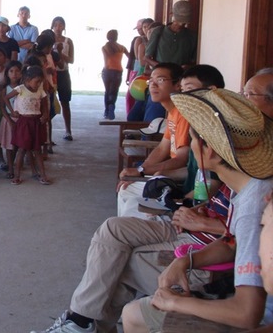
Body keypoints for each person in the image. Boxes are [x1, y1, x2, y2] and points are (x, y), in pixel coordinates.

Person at [28, 65, 232, 333]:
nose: (182, 96)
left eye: (188, 90)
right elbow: (204, 186)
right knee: (113, 229)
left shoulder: (234, 156)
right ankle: (82, 322)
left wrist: (198, 217)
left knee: (117, 261)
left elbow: (239, 233)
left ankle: (82, 323)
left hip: (202, 242)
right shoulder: (201, 131)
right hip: (190, 222)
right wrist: (184, 202)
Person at [122, 88, 273, 333]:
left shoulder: (253, 208)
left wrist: (177, 303)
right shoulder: (248, 187)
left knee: (134, 314)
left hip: (259, 319)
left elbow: (247, 314)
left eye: (192, 140)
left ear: (208, 150)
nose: (191, 146)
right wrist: (187, 260)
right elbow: (231, 242)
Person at [117, 63, 189, 218]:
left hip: (180, 179)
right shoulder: (173, 112)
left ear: (178, 85)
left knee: (130, 199)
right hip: (165, 175)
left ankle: (134, 229)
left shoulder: (183, 114)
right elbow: (162, 148)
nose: (153, 85)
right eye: (151, 81)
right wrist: (140, 171)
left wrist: (141, 172)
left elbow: (181, 159)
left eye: (161, 80)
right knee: (126, 189)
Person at [4, 65, 51, 185]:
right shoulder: (20, 89)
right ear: (28, 79)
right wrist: (12, 111)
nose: (38, 84)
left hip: (36, 122)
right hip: (24, 122)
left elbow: (45, 105)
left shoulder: (40, 91)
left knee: (37, 150)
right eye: (37, 81)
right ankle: (17, 176)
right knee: (22, 149)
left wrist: (45, 115)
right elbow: (5, 98)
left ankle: (43, 175)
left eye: (40, 82)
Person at [51, 16, 74, 140]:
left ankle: (68, 131)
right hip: (51, 73)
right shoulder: (49, 40)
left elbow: (71, 60)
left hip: (63, 73)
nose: (58, 27)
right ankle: (47, 134)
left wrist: (60, 53)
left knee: (65, 102)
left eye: (60, 25)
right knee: (48, 102)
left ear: (64, 27)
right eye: (55, 25)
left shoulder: (68, 41)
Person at [0, 60, 23, 178]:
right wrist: (9, 120)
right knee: (9, 146)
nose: (14, 74)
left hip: (22, 120)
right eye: (11, 71)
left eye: (17, 71)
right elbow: (2, 107)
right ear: (7, 73)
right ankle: (10, 169)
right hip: (9, 120)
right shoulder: (5, 89)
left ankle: (14, 164)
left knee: (19, 145)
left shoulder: (23, 88)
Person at [101, 29, 129, 120]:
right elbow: (130, 56)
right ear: (116, 37)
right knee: (114, 91)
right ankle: (111, 106)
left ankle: (107, 111)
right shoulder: (122, 47)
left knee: (107, 91)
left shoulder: (105, 47)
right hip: (118, 71)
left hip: (107, 70)